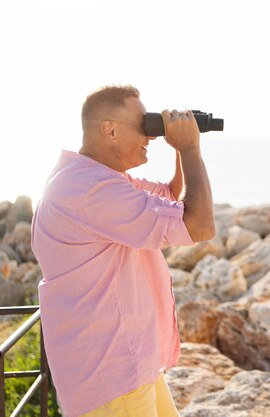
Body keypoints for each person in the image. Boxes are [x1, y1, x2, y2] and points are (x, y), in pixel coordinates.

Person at [31, 85, 216, 417]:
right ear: (110, 129)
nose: (150, 136)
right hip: (113, 373)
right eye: (143, 125)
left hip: (124, 364)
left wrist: (177, 144)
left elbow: (173, 196)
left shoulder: (90, 178)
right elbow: (200, 225)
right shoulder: (94, 191)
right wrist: (189, 147)